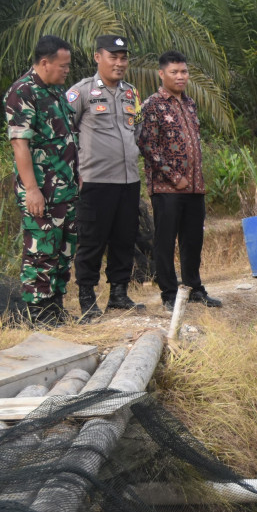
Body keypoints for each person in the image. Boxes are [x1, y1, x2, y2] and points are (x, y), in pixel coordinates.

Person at [137, 50, 221, 311]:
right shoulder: (152, 104)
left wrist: (193, 180)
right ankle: (169, 293)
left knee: (193, 239)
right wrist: (174, 177)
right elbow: (147, 145)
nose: (180, 76)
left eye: (184, 71)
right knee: (165, 241)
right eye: (174, 72)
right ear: (161, 74)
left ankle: (194, 288)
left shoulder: (190, 103)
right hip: (167, 188)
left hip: (195, 187)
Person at [68, 34, 144, 320]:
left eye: (123, 57)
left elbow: (136, 130)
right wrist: (75, 171)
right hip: (95, 181)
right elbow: (66, 133)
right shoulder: (81, 92)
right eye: (113, 56)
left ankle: (119, 294)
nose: (119, 62)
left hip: (128, 180)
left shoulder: (131, 93)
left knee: (124, 238)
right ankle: (87, 297)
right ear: (97, 57)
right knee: (92, 241)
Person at [4, 34, 78, 325]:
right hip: (42, 192)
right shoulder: (22, 92)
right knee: (41, 252)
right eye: (63, 65)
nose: (67, 70)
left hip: (66, 189)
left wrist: (77, 177)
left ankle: (55, 307)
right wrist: (32, 190)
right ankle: (38, 313)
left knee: (64, 251)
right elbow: (20, 144)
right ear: (44, 63)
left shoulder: (57, 91)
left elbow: (68, 139)